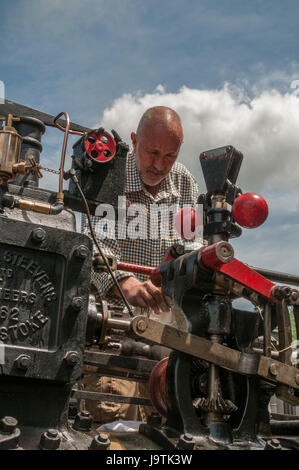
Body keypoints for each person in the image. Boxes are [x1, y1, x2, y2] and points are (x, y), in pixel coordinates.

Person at [82, 106, 200, 423]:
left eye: (170, 156)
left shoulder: (186, 184)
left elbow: (192, 250)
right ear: (134, 141)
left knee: (165, 424)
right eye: (152, 152)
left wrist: (176, 278)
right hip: (112, 332)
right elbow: (94, 243)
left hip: (166, 337)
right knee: (106, 422)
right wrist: (125, 282)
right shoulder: (111, 178)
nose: (160, 165)